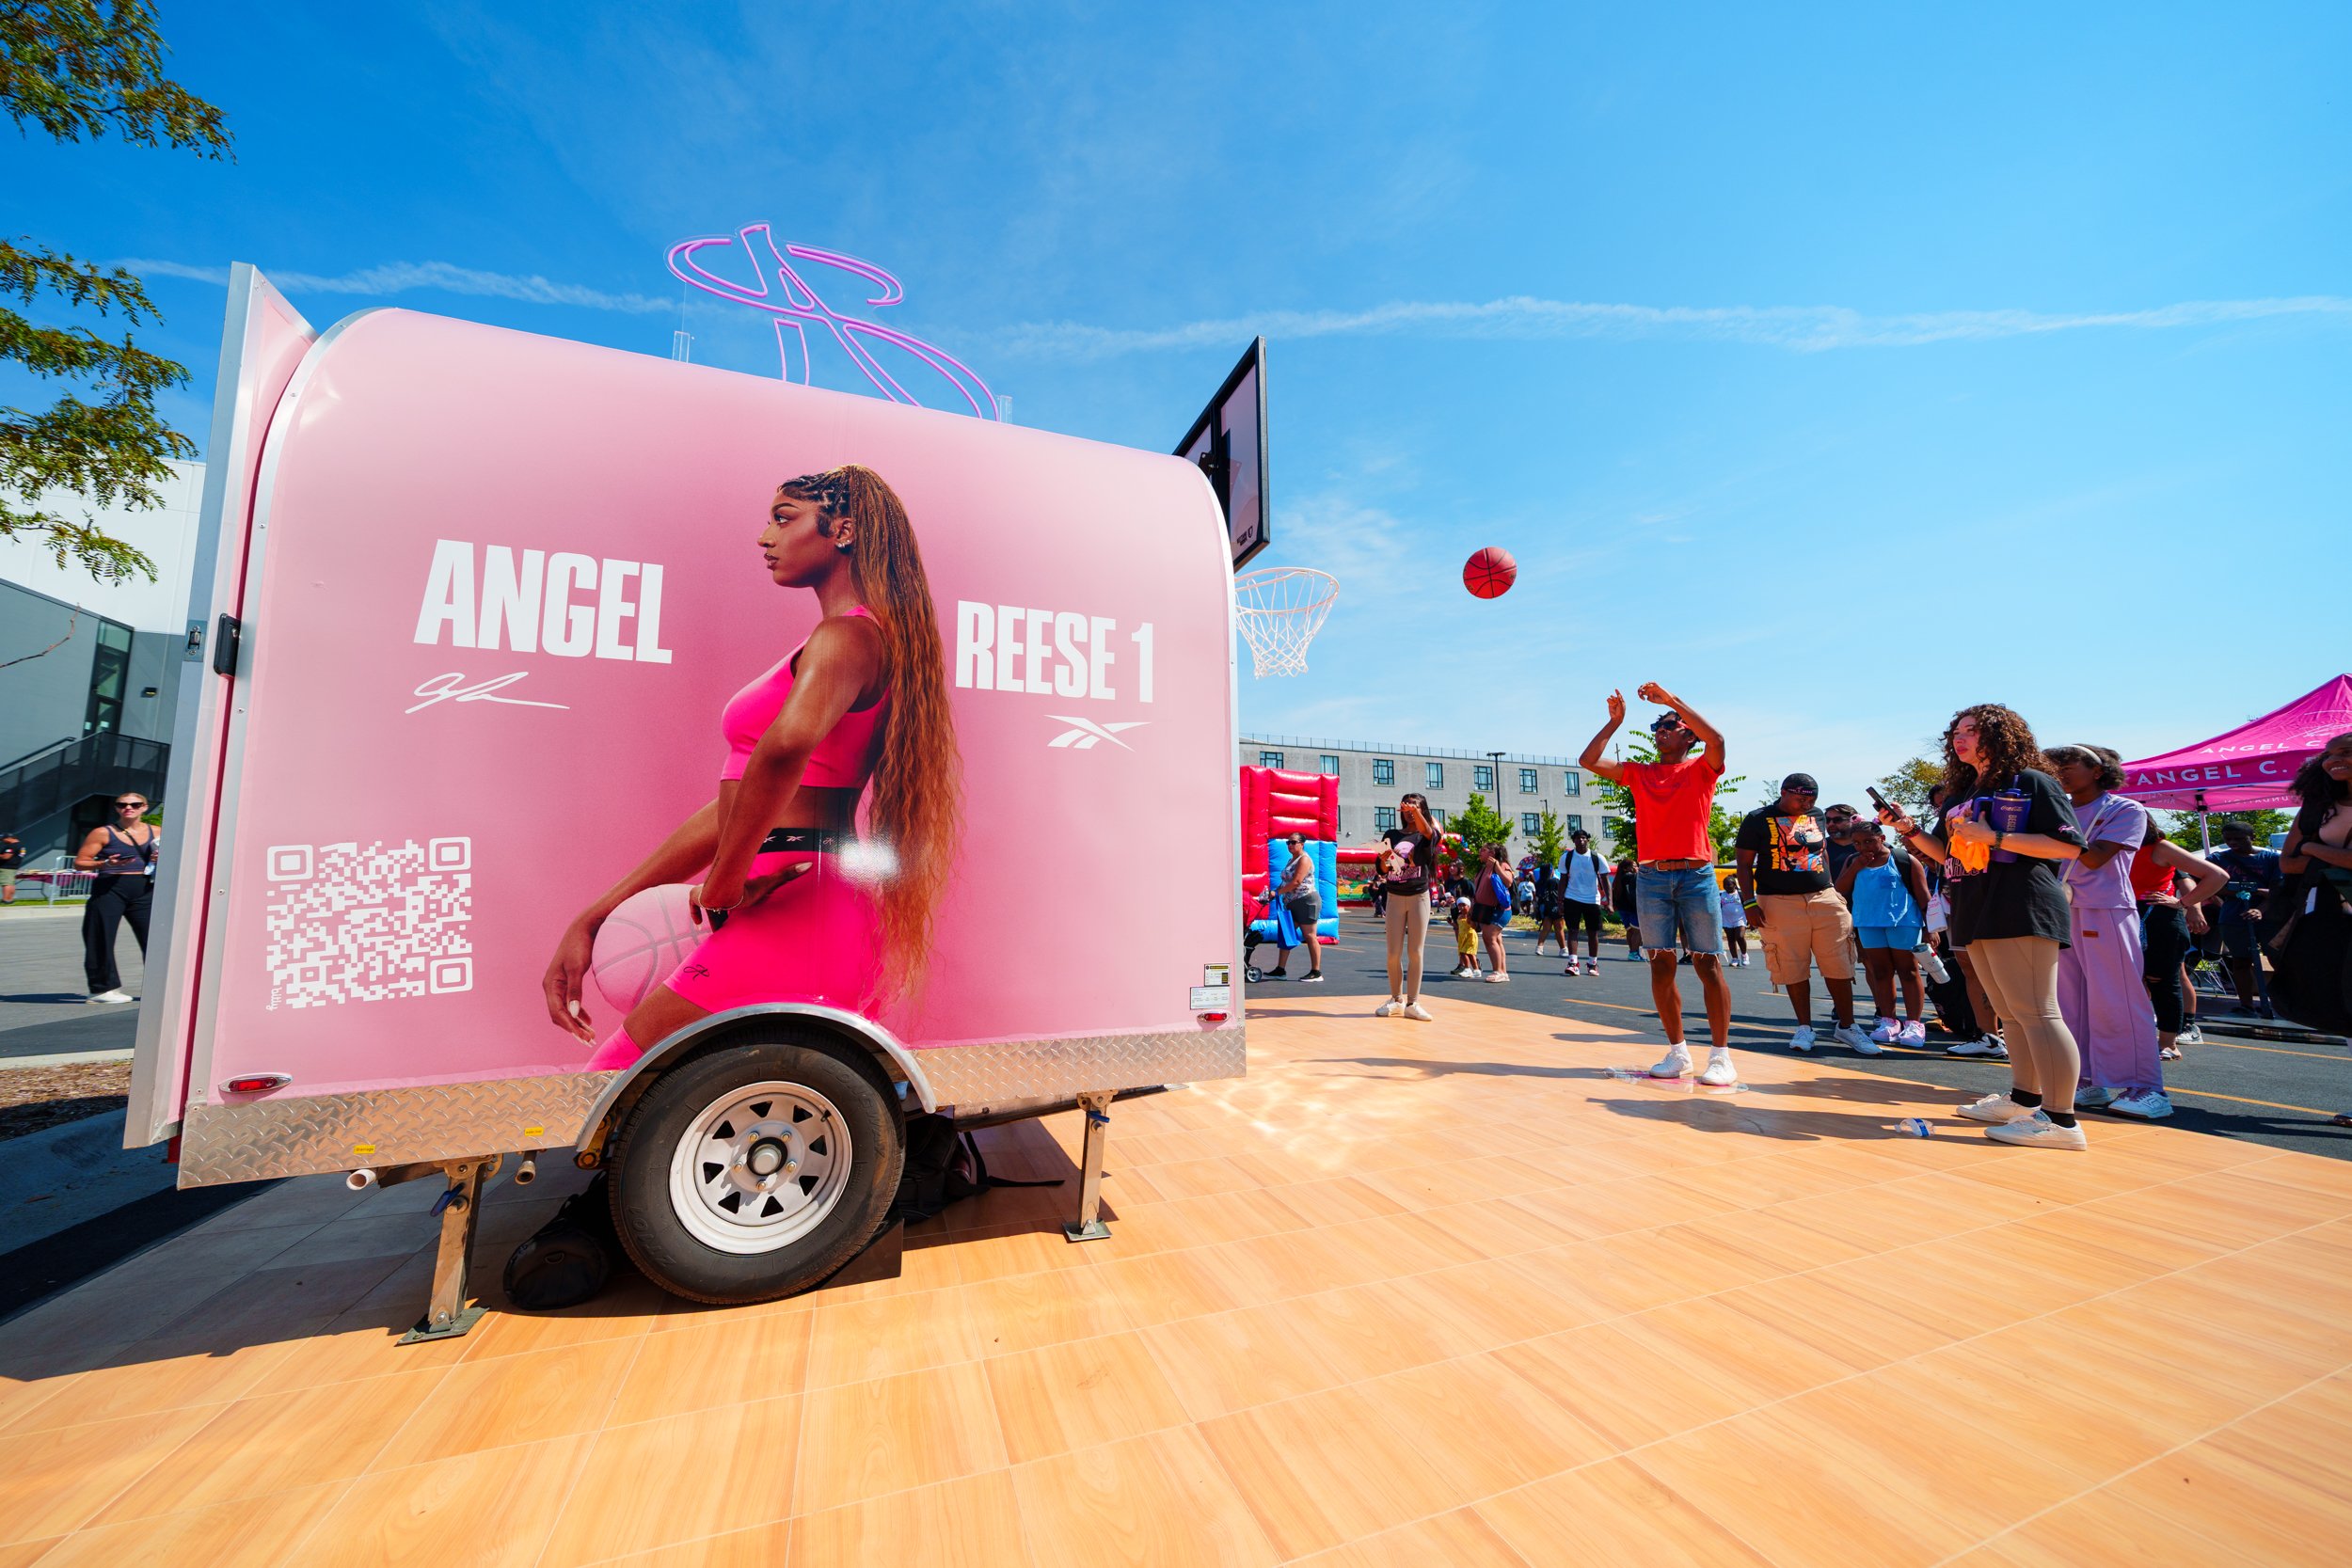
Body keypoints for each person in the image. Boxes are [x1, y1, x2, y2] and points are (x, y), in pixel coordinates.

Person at [545, 466, 961, 1067]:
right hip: (788, 890)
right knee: (658, 1101)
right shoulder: (838, 641)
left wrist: (724, 881)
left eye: (783, 518)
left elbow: (783, 749)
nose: (765, 537)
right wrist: (597, 913)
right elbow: (736, 802)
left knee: (615, 1087)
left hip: (797, 900)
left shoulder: (849, 639)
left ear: (842, 530)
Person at [1880, 704, 2089, 1149]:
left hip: (2022, 901)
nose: (1961, 738)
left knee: (2038, 1010)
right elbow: (1946, 853)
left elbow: (2068, 847)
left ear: (2001, 735)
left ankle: (2062, 1122)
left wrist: (1994, 838)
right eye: (1957, 731)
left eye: (1972, 730)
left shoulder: (2031, 781)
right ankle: (2025, 1098)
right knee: (2010, 1012)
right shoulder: (1962, 793)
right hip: (1975, 904)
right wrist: (1910, 829)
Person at [1580, 684, 1737, 1085]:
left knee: (1707, 962)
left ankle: (1720, 1057)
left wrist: (1672, 701)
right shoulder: (1641, 773)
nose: (1660, 730)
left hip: (1696, 874)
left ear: (1689, 735)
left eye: (1669, 725)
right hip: (1652, 876)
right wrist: (1615, 723)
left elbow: (1717, 739)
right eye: (1657, 726)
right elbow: (1589, 760)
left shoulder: (1702, 767)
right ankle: (1678, 1052)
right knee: (1661, 964)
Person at [1736, 772, 1872, 1054]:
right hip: (1778, 901)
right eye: (1800, 799)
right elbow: (1744, 864)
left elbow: (1821, 853)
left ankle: (1847, 1027)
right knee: (1792, 965)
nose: (1806, 804)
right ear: (1784, 792)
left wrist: (1832, 889)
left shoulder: (1818, 815)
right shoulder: (1757, 818)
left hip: (1823, 898)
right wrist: (1748, 903)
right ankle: (1805, 1028)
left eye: (1811, 799)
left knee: (1839, 963)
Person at [2128, 813, 2226, 1069]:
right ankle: (2142, 1039)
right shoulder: (2116, 847)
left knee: (2163, 981)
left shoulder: (2160, 847)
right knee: (2133, 981)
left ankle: (2168, 1043)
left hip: (2159, 920)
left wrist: (2185, 903)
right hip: (2126, 917)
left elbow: (2217, 875)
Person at [1836, 821, 1931, 1046]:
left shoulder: (1903, 860)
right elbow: (1839, 890)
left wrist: (1930, 930)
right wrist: (1856, 866)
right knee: (1880, 972)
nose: (1863, 847)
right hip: (1868, 924)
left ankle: (1914, 1024)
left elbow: (1924, 897)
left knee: (1908, 971)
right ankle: (1889, 1021)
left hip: (1904, 923)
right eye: (1857, 843)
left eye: (1868, 841)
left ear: (1882, 837)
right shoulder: (1853, 861)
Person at [74, 794, 157, 1003]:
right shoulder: (102, 832)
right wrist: (104, 864)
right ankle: (102, 989)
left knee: (156, 939)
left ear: (144, 807)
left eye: (135, 804)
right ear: (116, 808)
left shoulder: (157, 832)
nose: (129, 808)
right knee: (100, 935)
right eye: (123, 805)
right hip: (110, 889)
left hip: (145, 889)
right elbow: (80, 862)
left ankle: (160, 984)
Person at [1375, 793, 1439, 1020]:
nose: (1409, 810)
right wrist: (1384, 859)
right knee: (1393, 953)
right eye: (1406, 806)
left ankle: (1413, 1002)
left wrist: (1417, 813)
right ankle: (1396, 999)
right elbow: (1382, 870)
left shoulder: (1426, 834)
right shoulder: (1392, 835)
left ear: (1422, 809)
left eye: (1415, 806)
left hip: (1418, 896)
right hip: (1394, 895)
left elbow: (1429, 832)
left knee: (1415, 951)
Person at [2208, 823, 2281, 1016]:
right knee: (2240, 961)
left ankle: (2283, 1004)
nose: (2232, 843)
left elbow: (2278, 892)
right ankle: (2246, 1006)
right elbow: (2212, 886)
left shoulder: (2272, 859)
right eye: (2228, 839)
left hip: (2270, 918)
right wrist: (2256, 890)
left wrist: (2260, 910)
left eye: (2238, 838)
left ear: (2252, 837)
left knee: (2278, 960)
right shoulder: (2217, 859)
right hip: (2234, 917)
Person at [1265, 832, 1326, 983]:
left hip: (1306, 901)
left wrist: (1277, 892)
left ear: (1302, 844)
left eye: (1293, 842)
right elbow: (1286, 882)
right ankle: (1280, 970)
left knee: (1310, 936)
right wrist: (1276, 892)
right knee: (1287, 934)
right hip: (1293, 902)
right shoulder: (1291, 860)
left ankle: (1316, 972)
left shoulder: (1304, 860)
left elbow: (1297, 882)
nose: (1290, 845)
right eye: (1288, 842)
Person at [1559, 830, 1609, 974]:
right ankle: (1573, 963)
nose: (1580, 841)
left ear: (1588, 840)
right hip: (1572, 897)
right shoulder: (1566, 858)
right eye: (1577, 838)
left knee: (1592, 933)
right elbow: (1563, 880)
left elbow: (1605, 881)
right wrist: (1560, 901)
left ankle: (1592, 964)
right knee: (1573, 930)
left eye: (1583, 838)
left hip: (1592, 899)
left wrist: (1609, 901)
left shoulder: (1597, 858)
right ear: (1573, 841)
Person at [1470, 841, 1514, 982]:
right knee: (1497, 940)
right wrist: (1471, 910)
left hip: (1498, 910)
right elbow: (1478, 891)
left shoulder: (1502, 865)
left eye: (1483, 850)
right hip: (1485, 910)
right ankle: (1503, 972)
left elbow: (1508, 882)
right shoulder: (1483, 869)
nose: (1480, 852)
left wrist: (1497, 867)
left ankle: (1498, 971)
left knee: (1490, 939)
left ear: (1492, 853)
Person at [1821, 803, 1866, 882]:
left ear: (1854, 820)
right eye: (1827, 820)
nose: (1831, 824)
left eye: (1837, 820)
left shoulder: (1868, 847)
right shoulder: (1819, 848)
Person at [1532, 860, 1565, 956]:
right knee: (1559, 928)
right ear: (1551, 871)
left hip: (1544, 908)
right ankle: (1563, 949)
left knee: (1546, 928)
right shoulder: (1555, 881)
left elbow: (1537, 896)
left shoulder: (1538, 883)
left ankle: (1540, 947)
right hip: (1555, 906)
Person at [1718, 875, 1749, 966]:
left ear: (1734, 885)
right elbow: (1718, 908)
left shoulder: (1740, 894)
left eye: (1729, 885)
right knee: (1731, 939)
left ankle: (1744, 955)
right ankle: (1735, 959)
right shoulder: (1721, 895)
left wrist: (1750, 919)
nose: (1727, 887)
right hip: (1727, 920)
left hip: (1740, 919)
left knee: (1739, 936)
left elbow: (1746, 907)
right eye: (1725, 885)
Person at [1449, 896, 1481, 978]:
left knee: (1467, 953)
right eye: (1459, 905)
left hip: (1470, 937)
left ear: (1469, 906)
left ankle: (1469, 969)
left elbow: (1474, 927)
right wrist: (1451, 923)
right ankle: (1475, 970)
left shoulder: (1469, 916)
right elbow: (1458, 927)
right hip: (1462, 937)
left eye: (1464, 905)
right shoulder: (1459, 916)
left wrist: (1470, 920)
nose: (1461, 907)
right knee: (1465, 954)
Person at [0, 831, 23, 903]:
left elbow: (6, 856)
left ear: (9, 838)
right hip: (14, 867)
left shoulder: (11, 846)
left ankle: (5, 899)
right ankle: (10, 899)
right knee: (11, 884)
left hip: (6, 867)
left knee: (6, 883)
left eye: (3, 839)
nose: (2, 841)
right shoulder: (21, 846)